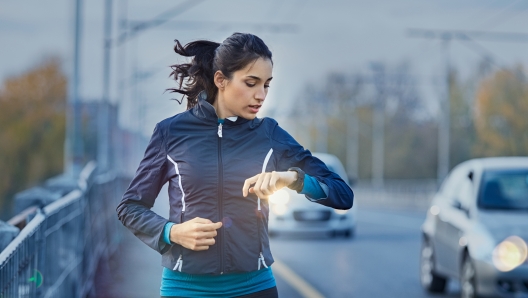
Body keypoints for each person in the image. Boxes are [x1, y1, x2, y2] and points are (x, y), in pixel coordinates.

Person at [116, 32, 354, 298]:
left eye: (266, 85)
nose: (261, 95)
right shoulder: (170, 133)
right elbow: (130, 208)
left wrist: (291, 179)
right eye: (251, 83)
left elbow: (343, 194)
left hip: (255, 288)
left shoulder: (269, 134)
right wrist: (172, 232)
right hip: (184, 288)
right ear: (221, 80)